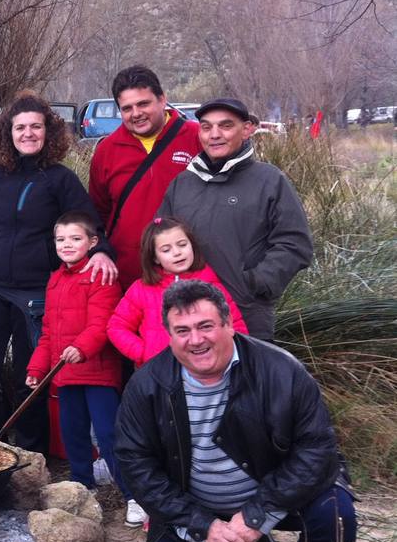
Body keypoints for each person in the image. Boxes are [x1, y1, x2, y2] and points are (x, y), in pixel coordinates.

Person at [115, 280, 356, 542]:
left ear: (228, 324)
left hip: (274, 496)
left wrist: (256, 516)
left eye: (205, 326)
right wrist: (204, 526)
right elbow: (136, 465)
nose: (196, 340)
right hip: (201, 507)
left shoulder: (282, 370)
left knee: (335, 513)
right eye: (182, 330)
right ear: (169, 335)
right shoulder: (146, 385)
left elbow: (316, 450)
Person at [0, 91, 116, 450]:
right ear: (9, 133)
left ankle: (32, 455)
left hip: (36, 294)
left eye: (36, 126)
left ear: (48, 132)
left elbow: (89, 225)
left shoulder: (61, 180)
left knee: (29, 379)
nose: (28, 133)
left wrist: (102, 252)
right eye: (20, 127)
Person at [158, 98, 313, 339]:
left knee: (251, 366)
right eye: (206, 127)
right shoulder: (182, 184)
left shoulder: (270, 180)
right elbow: (159, 239)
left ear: (247, 129)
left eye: (226, 126)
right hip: (189, 319)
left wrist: (255, 283)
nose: (214, 135)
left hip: (248, 314)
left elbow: (295, 244)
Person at [25, 211, 135, 521]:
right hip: (65, 373)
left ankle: (133, 494)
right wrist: (37, 368)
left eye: (75, 238)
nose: (67, 244)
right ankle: (82, 485)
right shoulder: (55, 280)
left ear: (93, 241)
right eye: (60, 239)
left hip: (97, 371)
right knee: (72, 432)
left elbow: (103, 323)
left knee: (108, 433)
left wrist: (82, 347)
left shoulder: (102, 275)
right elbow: (48, 331)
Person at [89, 65, 200, 290]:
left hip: (189, 278)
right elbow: (97, 214)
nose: (136, 113)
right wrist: (100, 251)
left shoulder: (196, 137)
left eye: (143, 104)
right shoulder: (106, 150)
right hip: (128, 280)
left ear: (162, 99)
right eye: (127, 108)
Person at [108, 216, 249, 368]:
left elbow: (235, 326)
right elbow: (116, 326)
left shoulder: (211, 284)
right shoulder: (142, 289)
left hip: (207, 370)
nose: (177, 253)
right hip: (158, 370)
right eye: (166, 250)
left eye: (182, 245)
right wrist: (144, 354)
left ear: (192, 246)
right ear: (155, 258)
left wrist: (226, 358)